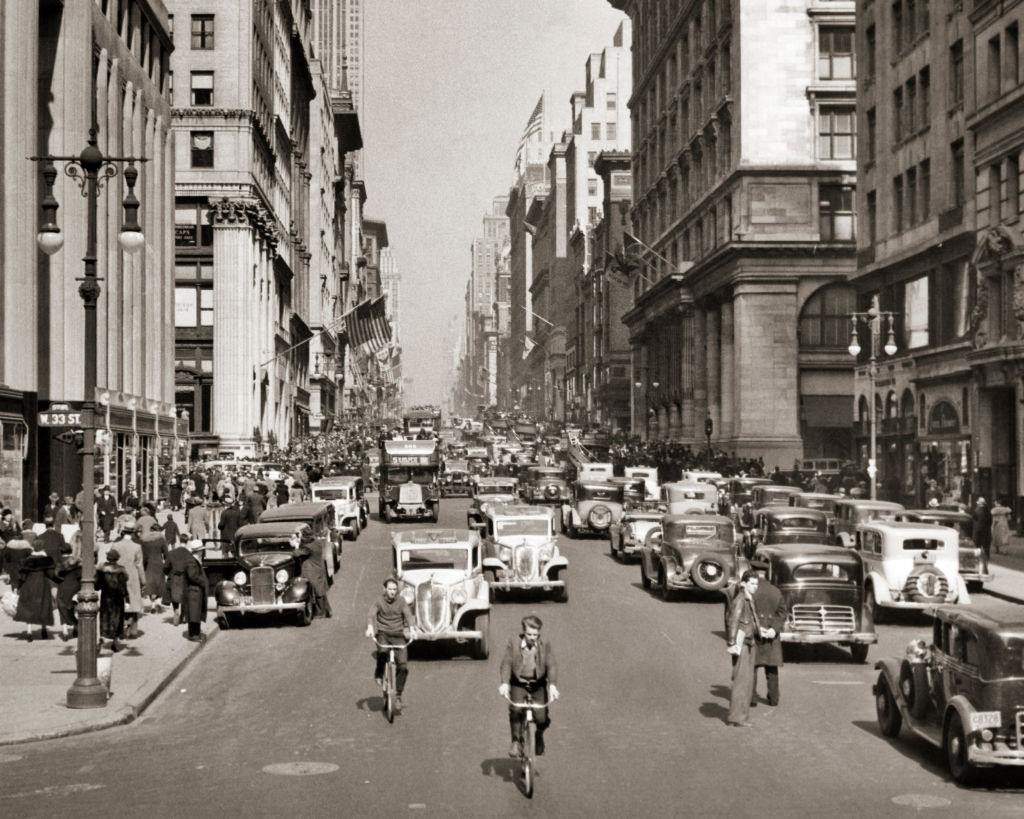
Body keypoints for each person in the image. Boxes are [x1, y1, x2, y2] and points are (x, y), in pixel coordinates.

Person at [498, 614, 560, 758]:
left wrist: (552, 686)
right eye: (529, 634)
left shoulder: (545, 644)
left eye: (536, 635)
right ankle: (516, 742)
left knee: (542, 718)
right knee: (516, 709)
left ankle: (538, 735)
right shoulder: (514, 643)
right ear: (524, 632)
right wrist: (505, 684)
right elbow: (506, 663)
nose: (533, 638)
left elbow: (551, 665)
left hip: (538, 684)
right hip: (518, 683)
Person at [365, 577, 414, 711]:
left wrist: (412, 628)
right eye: (390, 589)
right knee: (382, 653)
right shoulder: (379, 601)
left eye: (394, 589)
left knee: (403, 666)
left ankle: (398, 695)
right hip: (384, 634)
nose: (392, 592)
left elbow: (409, 616)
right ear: (385, 589)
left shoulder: (402, 601)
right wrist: (370, 627)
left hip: (398, 634)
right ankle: (379, 673)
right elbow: (371, 615)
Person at [726, 570, 760, 727]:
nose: (755, 587)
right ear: (744, 583)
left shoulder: (748, 599)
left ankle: (740, 716)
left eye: (756, 584)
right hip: (743, 644)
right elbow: (732, 621)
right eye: (752, 584)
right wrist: (732, 643)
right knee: (742, 681)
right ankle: (737, 717)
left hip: (749, 642)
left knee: (746, 681)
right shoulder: (741, 599)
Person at [751, 575, 786, 707]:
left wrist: (757, 628)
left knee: (752, 667)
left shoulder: (751, 589)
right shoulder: (776, 590)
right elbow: (783, 613)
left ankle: (752, 698)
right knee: (772, 668)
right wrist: (773, 629)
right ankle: (773, 698)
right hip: (772, 636)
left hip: (756, 633)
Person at [14, 546, 59, 641]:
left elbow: (22, 576)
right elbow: (51, 575)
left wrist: (18, 587)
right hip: (42, 585)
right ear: (42, 548)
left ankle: (29, 632)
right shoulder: (46, 560)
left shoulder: (28, 560)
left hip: (29, 585)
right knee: (43, 606)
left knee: (29, 607)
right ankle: (44, 630)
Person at [115, 523, 146, 638]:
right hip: (132, 577)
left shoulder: (116, 545)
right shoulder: (137, 547)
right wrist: (143, 580)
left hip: (118, 576)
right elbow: (139, 565)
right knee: (133, 603)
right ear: (133, 533)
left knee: (120, 603)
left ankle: (121, 627)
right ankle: (132, 630)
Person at [96, 547, 128, 652]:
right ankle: (115, 641)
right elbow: (123, 586)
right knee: (117, 618)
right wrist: (126, 598)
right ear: (117, 559)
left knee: (105, 617)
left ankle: (102, 639)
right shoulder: (121, 570)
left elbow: (97, 585)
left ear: (107, 558)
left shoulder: (102, 569)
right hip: (118, 598)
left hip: (106, 597)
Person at [182, 542, 209, 642]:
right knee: (194, 613)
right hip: (193, 590)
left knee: (196, 612)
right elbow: (192, 576)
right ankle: (193, 635)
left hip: (196, 590)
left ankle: (196, 633)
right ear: (197, 551)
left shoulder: (194, 560)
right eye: (201, 550)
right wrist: (203, 582)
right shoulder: (192, 561)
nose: (202, 552)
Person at [54, 541, 82, 640]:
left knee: (62, 608)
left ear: (61, 551)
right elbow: (80, 576)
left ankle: (65, 631)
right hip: (75, 587)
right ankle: (76, 627)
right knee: (73, 608)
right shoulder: (76, 562)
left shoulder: (59, 562)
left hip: (63, 586)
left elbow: (55, 576)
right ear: (70, 550)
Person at [974, 496, 993, 561]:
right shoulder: (988, 511)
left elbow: (974, 520)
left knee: (977, 544)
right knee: (986, 545)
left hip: (977, 530)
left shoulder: (976, 510)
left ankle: (976, 557)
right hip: (986, 530)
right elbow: (990, 521)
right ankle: (987, 557)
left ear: (979, 504)